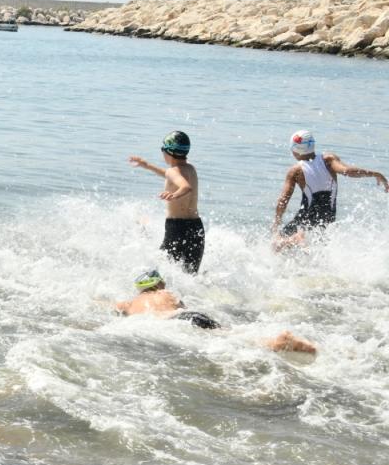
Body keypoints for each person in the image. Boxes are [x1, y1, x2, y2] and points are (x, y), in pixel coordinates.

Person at [114, 269, 317, 354]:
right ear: (159, 283)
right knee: (229, 333)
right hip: (188, 317)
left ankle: (277, 343)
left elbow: (111, 307)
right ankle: (275, 340)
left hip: (171, 324)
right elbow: (182, 307)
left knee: (226, 339)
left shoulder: (131, 303)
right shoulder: (166, 293)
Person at [273, 129, 388, 249]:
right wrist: (375, 174)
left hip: (305, 217)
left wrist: (277, 221)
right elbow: (347, 171)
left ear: (295, 149)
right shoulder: (328, 160)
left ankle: (296, 239)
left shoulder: (295, 170)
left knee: (276, 245)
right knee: (317, 249)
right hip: (328, 218)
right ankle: (299, 241)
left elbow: (283, 200)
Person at [128, 131, 204, 274]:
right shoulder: (190, 169)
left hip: (177, 228)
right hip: (196, 228)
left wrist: (174, 195)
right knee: (189, 274)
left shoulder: (173, 172)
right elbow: (171, 175)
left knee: (162, 270)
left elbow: (186, 187)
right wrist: (147, 165)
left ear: (168, 152)